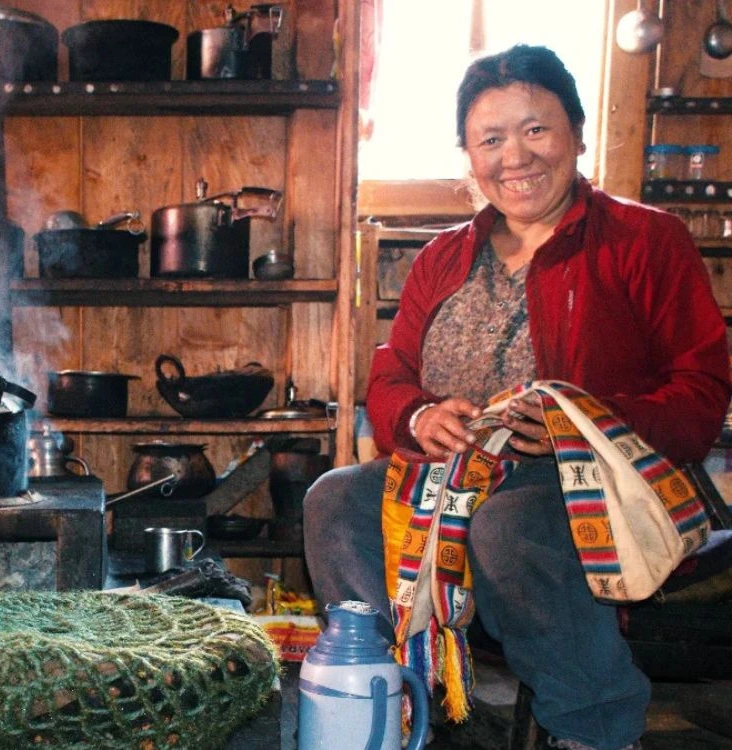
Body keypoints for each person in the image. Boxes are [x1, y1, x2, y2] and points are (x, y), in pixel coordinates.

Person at [304, 44, 731, 750]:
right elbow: (390, 377)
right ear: (469, 157)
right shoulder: (443, 257)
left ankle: (594, 731)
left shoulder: (646, 240)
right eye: (491, 139)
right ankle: (385, 699)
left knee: (510, 525)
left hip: (594, 485)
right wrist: (420, 415)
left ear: (577, 134)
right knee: (335, 498)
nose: (516, 157)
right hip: (457, 479)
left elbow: (700, 398)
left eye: (536, 129)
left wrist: (581, 423)